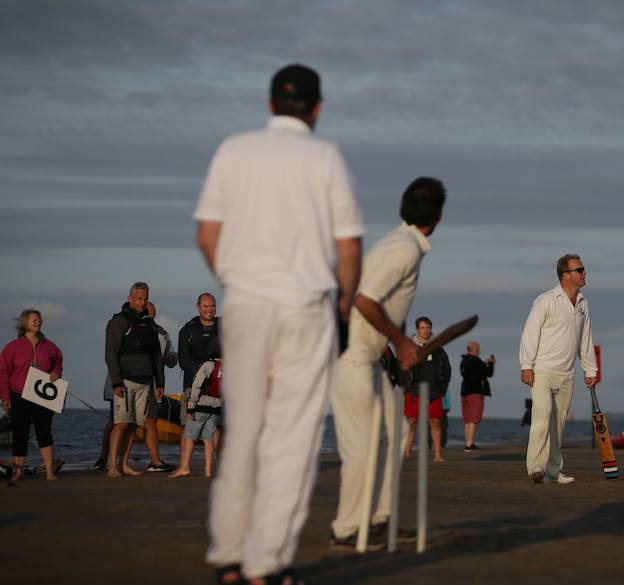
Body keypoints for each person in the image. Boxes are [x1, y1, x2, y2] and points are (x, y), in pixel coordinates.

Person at [194, 63, 364, 585]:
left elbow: (206, 233)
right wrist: (341, 309)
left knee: (242, 428)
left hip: (246, 303)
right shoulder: (326, 156)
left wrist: (238, 282)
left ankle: (227, 555)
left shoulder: (233, 149)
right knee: (292, 439)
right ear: (317, 107)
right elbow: (349, 246)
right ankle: (265, 565)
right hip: (306, 306)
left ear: (269, 104)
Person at [330, 177, 445, 550]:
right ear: (438, 216)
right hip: (351, 356)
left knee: (395, 433)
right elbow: (364, 300)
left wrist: (393, 342)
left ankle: (378, 520)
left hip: (368, 357)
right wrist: (402, 343)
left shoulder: (401, 243)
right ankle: (347, 529)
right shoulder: (403, 250)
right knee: (363, 445)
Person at [519, 254, 597, 485]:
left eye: (583, 269)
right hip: (542, 370)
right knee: (541, 416)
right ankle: (535, 468)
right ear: (565, 275)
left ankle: (553, 471)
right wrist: (526, 366)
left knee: (558, 426)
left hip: (567, 374)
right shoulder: (545, 300)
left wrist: (590, 368)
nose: (584, 273)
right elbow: (529, 333)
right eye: (579, 269)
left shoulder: (583, 303)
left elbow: (585, 338)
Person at [104, 282, 167, 478]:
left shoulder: (149, 324)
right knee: (121, 423)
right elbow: (111, 354)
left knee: (133, 425)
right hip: (125, 380)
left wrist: (160, 382)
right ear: (130, 298)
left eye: (145, 298)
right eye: (139, 298)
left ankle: (124, 465)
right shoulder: (119, 322)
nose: (142, 302)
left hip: (146, 382)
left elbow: (157, 355)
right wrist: (115, 382)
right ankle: (112, 466)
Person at [0, 309, 64, 482]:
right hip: (19, 395)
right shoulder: (13, 347)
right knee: (20, 433)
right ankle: (18, 471)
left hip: (43, 396)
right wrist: (5, 397)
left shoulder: (49, 346)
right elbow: (3, 372)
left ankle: (50, 471)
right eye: (34, 320)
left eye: (39, 320)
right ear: (24, 323)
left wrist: (56, 373)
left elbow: (58, 361)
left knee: (45, 432)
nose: (37, 322)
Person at [118, 300, 177, 473]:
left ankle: (154, 461)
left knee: (150, 421)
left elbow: (169, 358)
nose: (148, 316)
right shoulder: (128, 328)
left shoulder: (161, 333)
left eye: (151, 314)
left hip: (151, 382)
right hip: (130, 380)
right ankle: (114, 462)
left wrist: (170, 359)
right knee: (124, 422)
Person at [177, 292, 222, 460]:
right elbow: (183, 361)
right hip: (192, 386)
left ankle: (219, 464)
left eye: (212, 306)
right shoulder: (187, 330)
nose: (210, 310)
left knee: (219, 427)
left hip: (220, 388)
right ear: (198, 307)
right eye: (206, 306)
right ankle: (184, 465)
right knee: (190, 426)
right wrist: (204, 376)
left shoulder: (224, 326)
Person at [400, 317, 452, 463]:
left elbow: (447, 369)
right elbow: (401, 369)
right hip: (413, 391)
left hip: (434, 392)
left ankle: (437, 454)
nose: (426, 330)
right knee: (411, 421)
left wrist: (442, 389)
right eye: (423, 327)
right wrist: (406, 389)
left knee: (435, 422)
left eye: (428, 327)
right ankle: (407, 452)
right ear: (417, 329)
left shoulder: (438, 348)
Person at [170, 358, 223, 478]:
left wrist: (190, 407)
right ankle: (208, 470)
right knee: (208, 437)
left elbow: (197, 385)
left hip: (201, 404)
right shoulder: (226, 365)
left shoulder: (208, 364)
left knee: (190, 435)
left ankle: (184, 468)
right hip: (217, 406)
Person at [459, 341, 495, 451]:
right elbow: (488, 373)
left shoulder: (464, 361)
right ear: (475, 349)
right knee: (474, 419)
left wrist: (484, 362)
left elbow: (473, 370)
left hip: (464, 392)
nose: (479, 350)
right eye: (478, 348)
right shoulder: (477, 362)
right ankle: (469, 444)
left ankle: (468, 442)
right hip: (475, 393)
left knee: (467, 420)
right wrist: (491, 364)